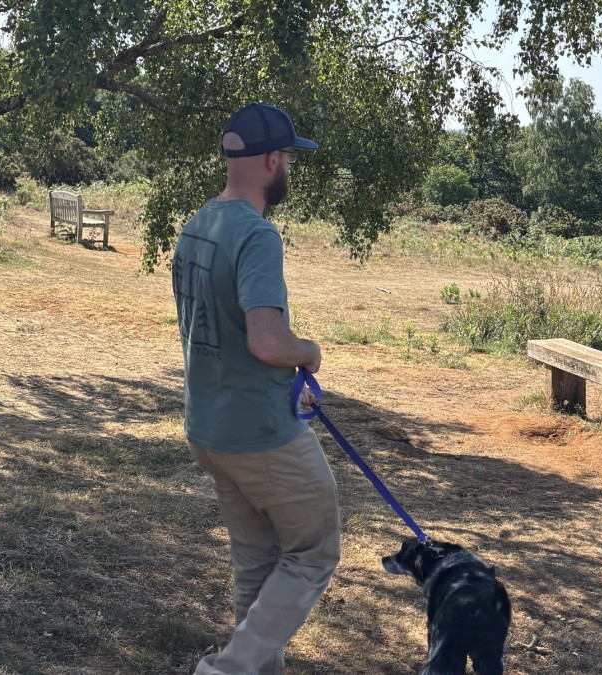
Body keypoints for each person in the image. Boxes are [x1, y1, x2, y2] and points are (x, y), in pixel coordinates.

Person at [171, 103, 340, 675]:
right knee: (314, 550)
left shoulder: (197, 224)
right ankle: (226, 670)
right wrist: (309, 353)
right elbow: (268, 342)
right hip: (260, 433)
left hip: (207, 426)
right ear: (272, 159)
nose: (291, 166)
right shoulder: (258, 236)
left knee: (257, 561)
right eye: (291, 156)